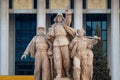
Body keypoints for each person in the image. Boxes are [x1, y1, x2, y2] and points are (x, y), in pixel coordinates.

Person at [46, 9, 75, 78]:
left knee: (66, 58)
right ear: (56, 18)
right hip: (56, 43)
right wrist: (48, 35)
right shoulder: (54, 26)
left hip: (64, 42)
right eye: (58, 17)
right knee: (57, 58)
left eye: (60, 17)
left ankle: (67, 72)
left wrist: (68, 13)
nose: (59, 19)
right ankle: (59, 73)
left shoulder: (65, 24)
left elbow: (68, 20)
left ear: (62, 18)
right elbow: (50, 35)